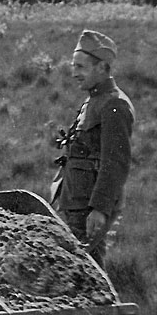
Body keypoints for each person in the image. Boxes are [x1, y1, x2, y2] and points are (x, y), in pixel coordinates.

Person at [53, 30, 134, 268]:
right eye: (73, 66)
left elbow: (115, 163)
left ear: (102, 68)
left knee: (87, 272)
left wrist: (100, 209)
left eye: (80, 67)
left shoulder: (114, 105)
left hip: (89, 210)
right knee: (76, 270)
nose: (74, 73)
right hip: (75, 204)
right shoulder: (93, 101)